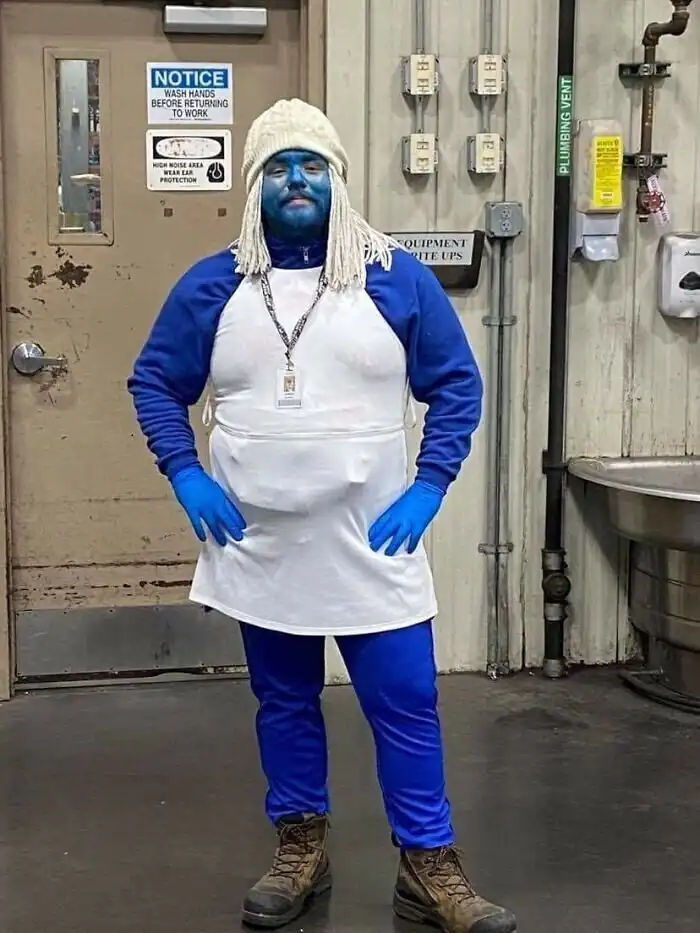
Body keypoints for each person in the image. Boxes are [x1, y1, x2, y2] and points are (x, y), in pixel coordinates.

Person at [128, 98, 517, 933]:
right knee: (284, 699)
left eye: (312, 164)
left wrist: (429, 485)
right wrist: (186, 473)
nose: (296, 179)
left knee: (405, 698)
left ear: (338, 179)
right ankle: (300, 845)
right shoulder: (213, 285)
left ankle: (428, 864)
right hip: (260, 541)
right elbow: (155, 381)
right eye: (278, 166)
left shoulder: (394, 277)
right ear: (254, 185)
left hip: (373, 540)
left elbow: (457, 384)